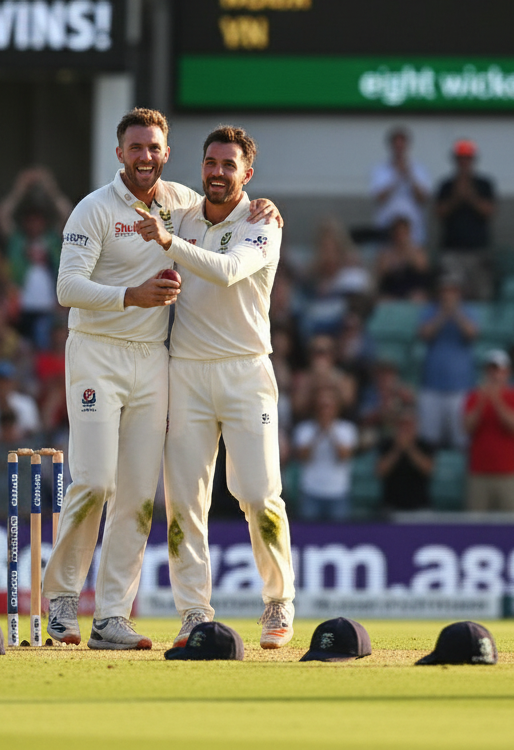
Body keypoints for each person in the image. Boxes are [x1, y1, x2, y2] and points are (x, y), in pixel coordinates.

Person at [40, 108, 279, 650]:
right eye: (136, 148)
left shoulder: (179, 203)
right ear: (119, 153)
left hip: (154, 357)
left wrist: (264, 206)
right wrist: (131, 296)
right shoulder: (93, 209)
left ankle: (110, 617)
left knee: (138, 495)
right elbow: (66, 288)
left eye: (154, 149)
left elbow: (227, 208)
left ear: (166, 155)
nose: (145, 157)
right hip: (98, 351)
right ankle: (60, 597)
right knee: (96, 480)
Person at [134, 125, 295, 651]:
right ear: (200, 167)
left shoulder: (261, 222)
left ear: (248, 173)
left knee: (258, 495)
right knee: (184, 502)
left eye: (230, 165)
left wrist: (170, 243)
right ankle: (194, 613)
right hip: (187, 372)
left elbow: (228, 272)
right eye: (211, 163)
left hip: (247, 371)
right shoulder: (180, 216)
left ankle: (278, 599)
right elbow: (135, 203)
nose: (218, 172)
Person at [416, 275, 478, 448]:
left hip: (460, 387)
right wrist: (443, 314)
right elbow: (424, 334)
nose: (448, 295)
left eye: (452, 291)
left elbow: (472, 334)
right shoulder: (430, 310)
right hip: (432, 386)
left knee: (461, 440)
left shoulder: (468, 311)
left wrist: (455, 313)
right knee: (429, 441)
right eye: (445, 291)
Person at [463, 350, 514, 512]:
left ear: (507, 372)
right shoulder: (474, 397)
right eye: (491, 370)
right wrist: (481, 403)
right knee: (475, 528)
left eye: (499, 370)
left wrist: (496, 400)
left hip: (508, 474)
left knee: (510, 527)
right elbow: (467, 427)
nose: (495, 374)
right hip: (479, 473)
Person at [434, 138, 497, 300]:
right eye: (461, 158)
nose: (464, 162)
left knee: (481, 296)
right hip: (452, 250)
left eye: (467, 158)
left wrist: (470, 197)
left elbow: (489, 211)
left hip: (478, 250)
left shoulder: (484, 184)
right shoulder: (446, 185)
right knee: (451, 295)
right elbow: (439, 213)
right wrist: (456, 198)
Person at [293, 381, 359, 521]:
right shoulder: (304, 429)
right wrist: (319, 432)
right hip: (311, 491)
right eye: (322, 407)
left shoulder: (347, 429)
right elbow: (303, 457)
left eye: (328, 406)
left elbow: (343, 456)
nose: (325, 411)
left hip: (338, 492)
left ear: (336, 408)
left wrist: (329, 430)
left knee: (339, 537)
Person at [370, 126, 432, 246]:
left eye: (401, 145)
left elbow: (423, 199)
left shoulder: (420, 170)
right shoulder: (379, 170)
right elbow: (379, 198)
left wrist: (409, 176)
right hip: (386, 230)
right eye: (396, 145)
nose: (399, 148)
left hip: (414, 234)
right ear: (390, 146)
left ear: (407, 146)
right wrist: (396, 177)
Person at [376, 408, 434, 511]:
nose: (406, 429)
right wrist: (397, 449)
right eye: (402, 425)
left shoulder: (425, 445)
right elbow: (380, 472)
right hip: (391, 506)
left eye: (409, 425)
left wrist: (410, 448)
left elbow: (428, 470)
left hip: (419, 506)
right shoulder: (387, 444)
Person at [374, 214, 431, 301]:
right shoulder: (386, 253)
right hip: (393, 290)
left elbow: (423, 269)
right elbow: (380, 274)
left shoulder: (417, 251)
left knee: (418, 298)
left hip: (412, 289)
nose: (400, 236)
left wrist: (407, 251)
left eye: (403, 232)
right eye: (397, 233)